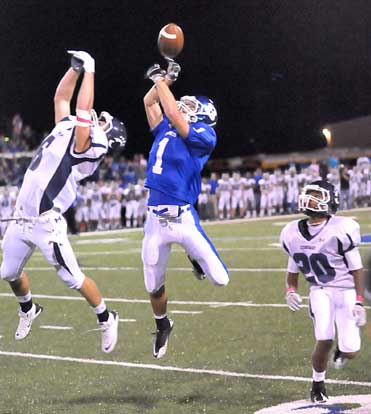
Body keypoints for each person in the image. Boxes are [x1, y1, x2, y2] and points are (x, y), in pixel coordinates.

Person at [0, 51, 127, 353]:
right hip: (22, 216)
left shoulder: (93, 145)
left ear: (110, 137)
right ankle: (28, 308)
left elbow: (84, 111)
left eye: (105, 121)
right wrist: (74, 70)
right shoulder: (72, 127)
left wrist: (91, 70)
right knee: (8, 273)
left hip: (46, 223)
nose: (101, 116)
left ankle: (107, 317)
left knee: (74, 279)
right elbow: (61, 99)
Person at [142, 60, 229, 359]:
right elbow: (149, 101)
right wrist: (164, 80)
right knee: (153, 286)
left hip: (182, 218)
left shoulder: (205, 135)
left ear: (205, 115)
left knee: (221, 279)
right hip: (156, 219)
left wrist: (162, 82)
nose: (183, 105)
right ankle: (162, 323)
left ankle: (194, 254)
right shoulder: (165, 126)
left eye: (191, 105)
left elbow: (175, 115)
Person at [280, 180, 366, 403]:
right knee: (324, 338)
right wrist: (290, 290)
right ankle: (317, 384)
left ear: (329, 200)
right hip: (320, 291)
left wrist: (359, 301)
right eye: (309, 195)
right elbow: (292, 272)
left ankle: (343, 352)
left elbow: (357, 270)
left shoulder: (341, 229)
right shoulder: (292, 233)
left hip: (346, 291)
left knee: (351, 349)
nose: (310, 199)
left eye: (316, 195)